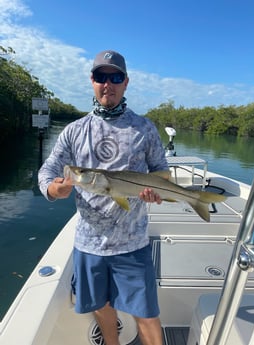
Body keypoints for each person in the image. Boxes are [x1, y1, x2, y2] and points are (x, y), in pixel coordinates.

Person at [38, 50, 169, 345]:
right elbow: (48, 170)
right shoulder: (74, 131)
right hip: (89, 244)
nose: (107, 84)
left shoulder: (144, 128)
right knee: (101, 306)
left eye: (115, 77)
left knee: (146, 314)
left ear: (126, 82)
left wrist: (155, 193)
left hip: (132, 243)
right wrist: (52, 189)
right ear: (92, 81)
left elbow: (161, 171)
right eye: (100, 76)